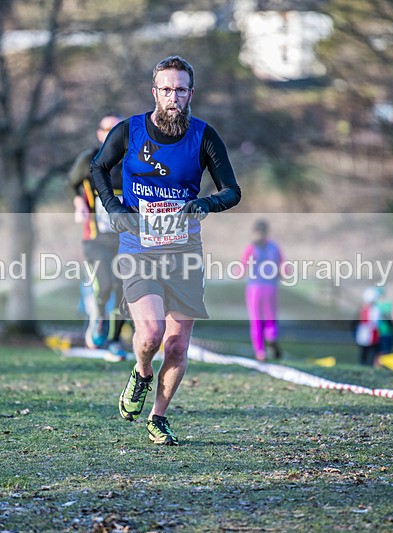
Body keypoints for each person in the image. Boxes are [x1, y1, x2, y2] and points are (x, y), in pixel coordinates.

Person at [90, 55, 241, 445]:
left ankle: (158, 417)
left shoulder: (205, 136)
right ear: (154, 92)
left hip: (184, 249)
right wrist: (114, 208)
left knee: (176, 344)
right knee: (152, 334)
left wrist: (206, 204)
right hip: (139, 246)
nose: (173, 96)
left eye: (180, 89)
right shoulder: (129, 131)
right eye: (166, 89)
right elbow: (97, 169)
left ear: (191, 93)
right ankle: (141, 372)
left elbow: (232, 190)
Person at [68, 114, 128, 358]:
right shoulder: (88, 159)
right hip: (95, 237)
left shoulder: (132, 160)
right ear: (99, 133)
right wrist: (77, 202)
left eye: (118, 129)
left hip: (125, 238)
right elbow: (70, 183)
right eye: (108, 129)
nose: (112, 132)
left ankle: (114, 341)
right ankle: (99, 315)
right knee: (104, 285)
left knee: (125, 289)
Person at [241, 219, 284, 361]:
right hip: (270, 287)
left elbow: (240, 270)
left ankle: (260, 352)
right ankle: (271, 337)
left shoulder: (251, 248)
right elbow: (285, 269)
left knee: (256, 320)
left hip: (254, 288)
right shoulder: (275, 247)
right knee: (270, 318)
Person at [355, 286, 379, 366]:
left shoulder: (374, 309)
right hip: (364, 334)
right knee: (363, 353)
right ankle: (363, 364)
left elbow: (375, 323)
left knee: (371, 353)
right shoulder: (364, 309)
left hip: (371, 335)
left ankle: (369, 365)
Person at [375, 286, 393, 356]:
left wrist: (388, 317)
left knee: (383, 354)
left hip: (385, 333)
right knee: (381, 354)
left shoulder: (389, 304)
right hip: (380, 333)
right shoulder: (375, 304)